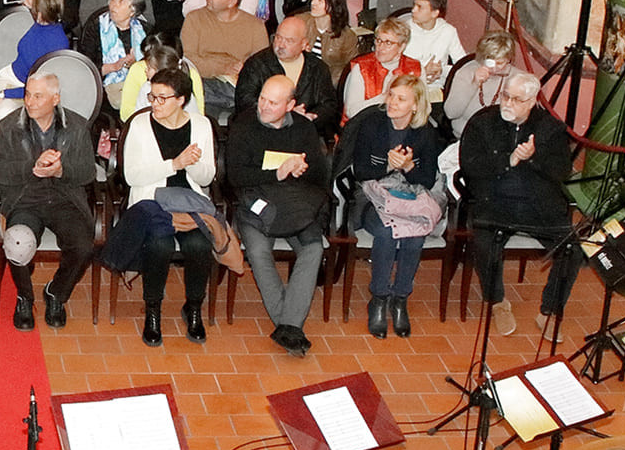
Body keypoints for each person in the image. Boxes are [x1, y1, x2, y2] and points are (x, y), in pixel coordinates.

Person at [459, 73, 581, 338]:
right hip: (494, 202)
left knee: (572, 250)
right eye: (506, 96)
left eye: (517, 99)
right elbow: (470, 166)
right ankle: (498, 302)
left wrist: (534, 158)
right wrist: (509, 160)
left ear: (532, 101)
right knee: (484, 243)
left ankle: (549, 311)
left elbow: (561, 171)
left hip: (538, 204)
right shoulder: (483, 123)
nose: (508, 103)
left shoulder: (550, 128)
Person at [227, 75, 330, 356]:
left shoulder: (304, 128)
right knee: (258, 251)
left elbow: (321, 175)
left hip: (297, 204)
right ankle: (290, 325)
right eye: (262, 99)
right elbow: (235, 175)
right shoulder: (244, 125)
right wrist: (277, 172)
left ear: (290, 105)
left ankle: (288, 326)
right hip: (255, 203)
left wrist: (301, 169)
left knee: (313, 249)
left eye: (273, 103)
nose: (264, 106)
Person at [339, 75, 444, 338]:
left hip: (409, 197)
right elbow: (361, 171)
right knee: (387, 232)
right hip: (372, 197)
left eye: (401, 99)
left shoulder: (426, 133)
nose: (392, 102)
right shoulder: (372, 124)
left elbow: (427, 179)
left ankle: (400, 298)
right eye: (391, 95)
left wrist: (407, 167)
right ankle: (379, 298)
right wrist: (387, 165)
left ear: (415, 106)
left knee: (415, 234)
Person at [120, 69, 218, 346]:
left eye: (162, 98)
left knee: (199, 245)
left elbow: (206, 178)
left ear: (181, 99)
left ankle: (194, 307)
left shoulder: (201, 125)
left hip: (188, 201)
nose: (154, 103)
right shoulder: (140, 125)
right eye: (152, 96)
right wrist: (174, 164)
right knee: (159, 245)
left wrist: (192, 164)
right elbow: (131, 176)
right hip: (151, 202)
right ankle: (153, 310)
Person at [0, 72, 99, 329]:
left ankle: (56, 293)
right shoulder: (9, 127)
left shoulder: (77, 127)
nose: (30, 102)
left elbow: (88, 172)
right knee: (18, 242)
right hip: (25, 199)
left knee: (83, 246)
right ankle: (25, 297)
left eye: (38, 96)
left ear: (55, 99)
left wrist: (61, 171)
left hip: (64, 199)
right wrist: (32, 167)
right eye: (28, 94)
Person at [233, 14, 342, 136]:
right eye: (278, 38)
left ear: (304, 44)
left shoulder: (317, 68)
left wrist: (310, 117)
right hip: (262, 132)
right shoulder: (257, 64)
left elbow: (329, 105)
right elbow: (245, 102)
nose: (281, 45)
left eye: (289, 41)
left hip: (304, 133)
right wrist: (284, 114)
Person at [180, 0, 269, 121]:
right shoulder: (194, 19)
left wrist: (244, 68)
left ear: (231, 2)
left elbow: (262, 65)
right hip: (204, 83)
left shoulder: (255, 26)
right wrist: (223, 67)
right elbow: (188, 60)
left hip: (237, 85)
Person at [79, 0, 149, 110]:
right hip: (102, 90)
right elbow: (85, 68)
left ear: (133, 10)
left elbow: (153, 66)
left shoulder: (144, 31)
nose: (113, 5)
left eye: (121, 1)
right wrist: (114, 67)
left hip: (139, 87)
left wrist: (136, 63)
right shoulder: (95, 28)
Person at [342, 16, 423, 121]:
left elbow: (422, 107)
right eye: (379, 40)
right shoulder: (362, 67)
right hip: (365, 124)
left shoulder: (415, 69)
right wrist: (384, 97)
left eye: (388, 43)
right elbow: (351, 112)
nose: (381, 47)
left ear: (402, 47)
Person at [446, 30, 519, 135]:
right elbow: (451, 113)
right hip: (466, 134)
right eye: (490, 62)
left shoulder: (517, 78)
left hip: (499, 136)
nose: (494, 68)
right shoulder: (467, 72)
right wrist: (474, 84)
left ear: (509, 59)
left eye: (500, 63)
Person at [402, 0, 468, 78]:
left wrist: (441, 71)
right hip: (409, 82)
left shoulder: (448, 31)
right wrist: (423, 72)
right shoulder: (403, 29)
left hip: (437, 84)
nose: (413, 10)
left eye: (419, 7)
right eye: (414, 5)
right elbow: (395, 66)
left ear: (434, 13)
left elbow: (461, 64)